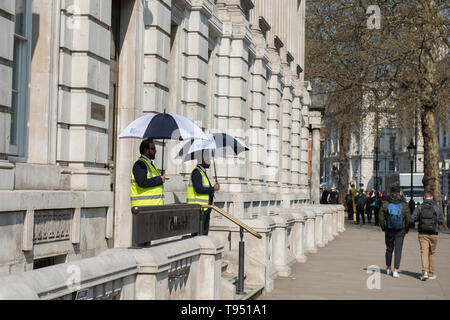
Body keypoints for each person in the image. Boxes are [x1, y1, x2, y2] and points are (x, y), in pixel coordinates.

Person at [410, 190, 445, 281]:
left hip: (422, 233)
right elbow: (441, 221)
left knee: (424, 252)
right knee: (432, 252)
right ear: (432, 197)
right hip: (434, 233)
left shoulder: (420, 207)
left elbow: (412, 218)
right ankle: (431, 273)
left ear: (424, 197)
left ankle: (424, 272)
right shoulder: (437, 207)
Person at [379, 184, 411, 278]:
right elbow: (408, 218)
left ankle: (388, 268)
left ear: (390, 192)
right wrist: (406, 229)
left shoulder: (385, 204)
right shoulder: (404, 205)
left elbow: (381, 217)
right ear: (400, 192)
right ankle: (396, 270)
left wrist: (384, 227)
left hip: (389, 229)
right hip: (400, 230)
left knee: (389, 249)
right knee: (398, 250)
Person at [187, 151, 220, 235]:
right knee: (199, 235)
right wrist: (213, 188)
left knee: (204, 235)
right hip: (199, 209)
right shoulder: (196, 172)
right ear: (201, 160)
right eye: (207, 158)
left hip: (205, 209)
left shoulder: (202, 172)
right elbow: (199, 189)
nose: (209, 161)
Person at [130, 139, 165, 208]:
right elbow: (142, 182)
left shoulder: (148, 164)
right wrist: (159, 179)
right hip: (144, 207)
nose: (155, 151)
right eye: (153, 149)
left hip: (151, 207)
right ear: (146, 150)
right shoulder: (140, 164)